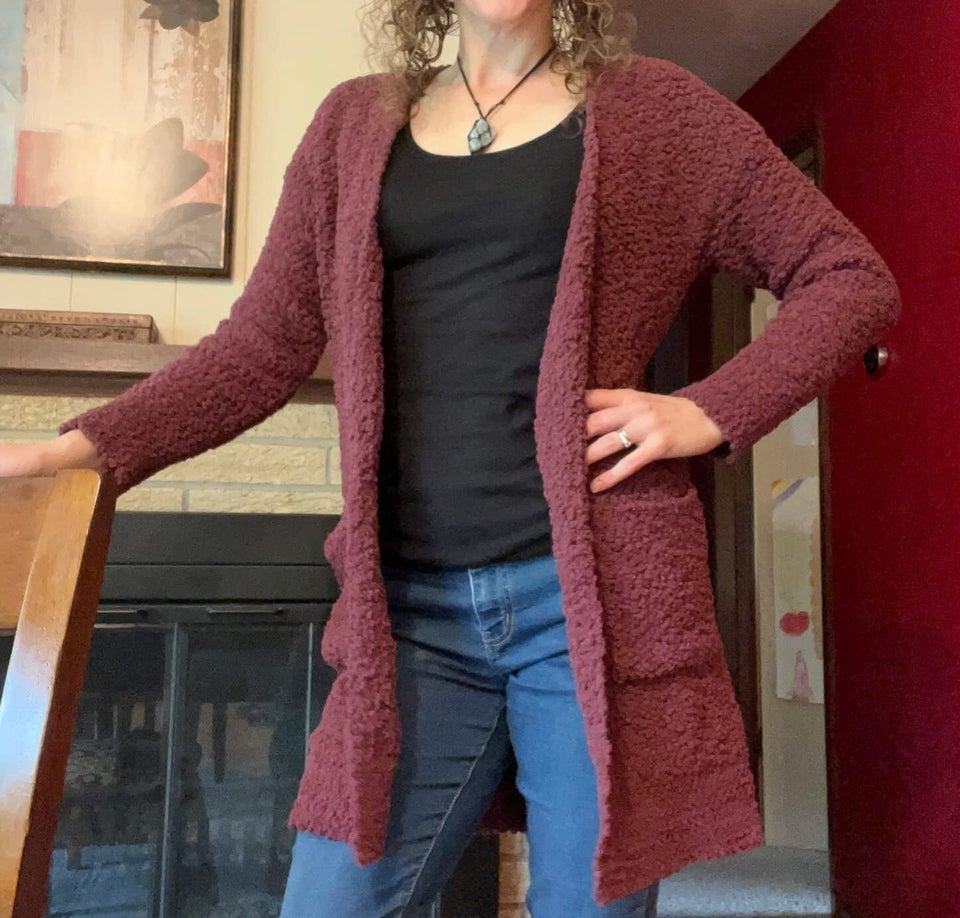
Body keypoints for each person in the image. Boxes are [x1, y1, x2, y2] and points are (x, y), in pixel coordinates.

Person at [0, 0, 901, 915]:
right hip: (408, 619)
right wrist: (84, 448)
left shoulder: (659, 113)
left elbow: (848, 276)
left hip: (589, 607)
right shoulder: (351, 125)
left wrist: (708, 410)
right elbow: (260, 347)